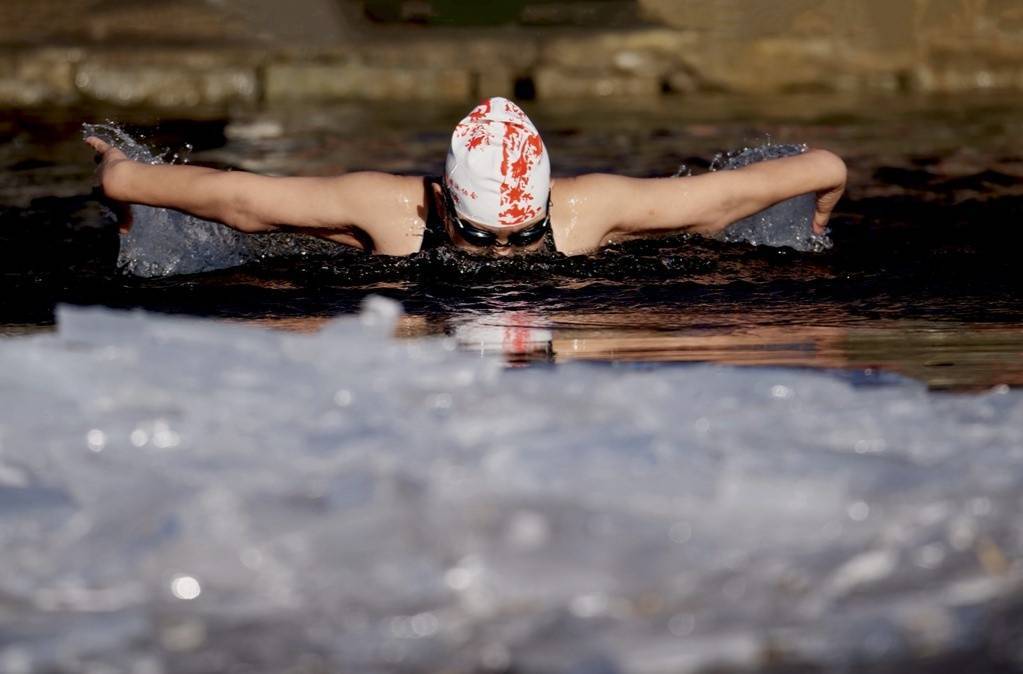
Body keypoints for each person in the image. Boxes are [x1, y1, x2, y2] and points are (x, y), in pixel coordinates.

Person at [85, 96, 847, 258]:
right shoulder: (383, 209)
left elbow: (823, 167)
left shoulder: (599, 210)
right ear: (444, 201)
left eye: (525, 236)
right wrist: (123, 184)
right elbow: (234, 199)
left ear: (550, 206)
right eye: (480, 235)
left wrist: (812, 226)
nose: (501, 256)